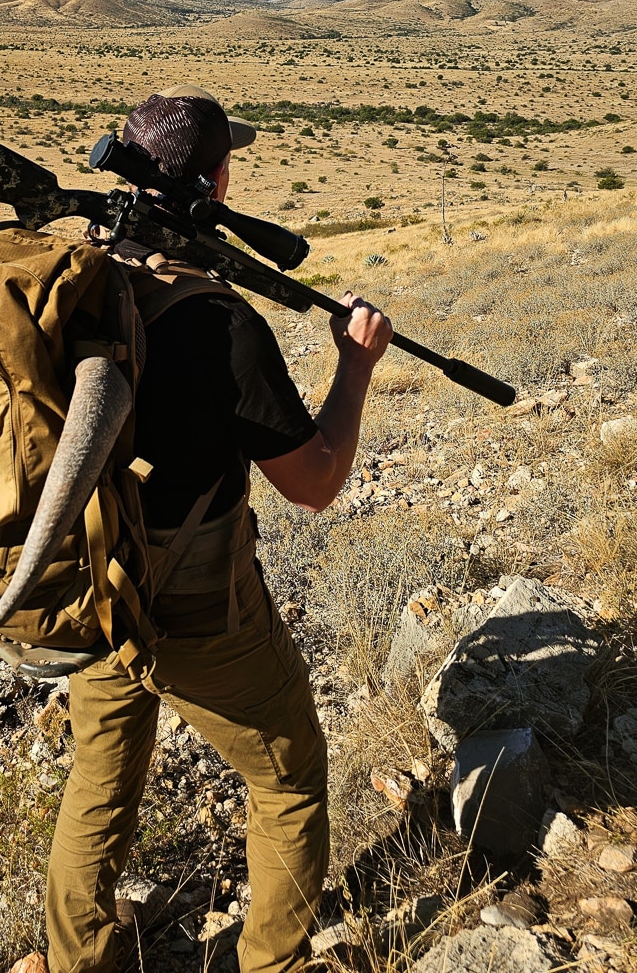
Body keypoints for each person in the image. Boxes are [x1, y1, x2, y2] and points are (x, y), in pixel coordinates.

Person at [40, 84, 392, 973]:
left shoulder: (73, 283)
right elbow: (313, 484)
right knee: (287, 779)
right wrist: (354, 370)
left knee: (99, 785)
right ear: (216, 184)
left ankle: (81, 960)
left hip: (93, 583)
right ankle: (271, 961)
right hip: (198, 604)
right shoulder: (218, 322)